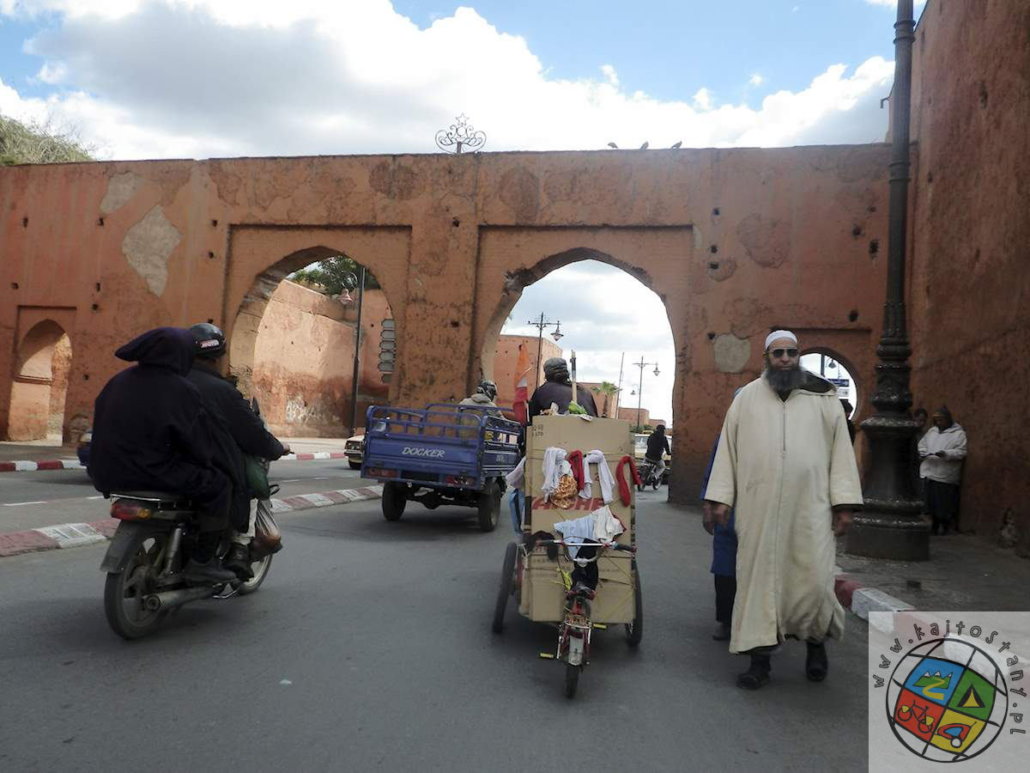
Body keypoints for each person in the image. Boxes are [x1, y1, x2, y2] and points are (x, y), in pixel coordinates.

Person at [704, 330, 862, 690]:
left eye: (792, 352)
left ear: (799, 355)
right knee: (758, 583)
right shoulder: (746, 400)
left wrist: (844, 504)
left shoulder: (824, 399)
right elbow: (728, 452)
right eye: (778, 354)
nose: (786, 359)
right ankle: (759, 662)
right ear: (767, 358)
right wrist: (720, 500)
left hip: (812, 508)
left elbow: (841, 454)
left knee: (815, 581)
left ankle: (816, 646)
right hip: (757, 509)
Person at [87, 327, 236, 583]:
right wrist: (208, 461)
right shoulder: (181, 389)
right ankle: (202, 562)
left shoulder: (118, 381)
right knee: (219, 485)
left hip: (105, 471)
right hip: (152, 473)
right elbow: (196, 443)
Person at [188, 323, 289, 578]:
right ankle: (231, 551)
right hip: (202, 468)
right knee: (242, 488)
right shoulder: (223, 392)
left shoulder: (167, 382)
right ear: (221, 357)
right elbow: (253, 434)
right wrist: (276, 448)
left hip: (156, 464)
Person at [700, 436, 736, 642]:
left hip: (765, 510)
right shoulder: (728, 433)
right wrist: (708, 504)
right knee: (725, 567)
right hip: (730, 509)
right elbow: (715, 467)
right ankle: (726, 620)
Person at [918, 406, 967, 536]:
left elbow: (961, 451)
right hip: (930, 470)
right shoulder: (932, 432)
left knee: (943, 503)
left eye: (942, 420)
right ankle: (934, 525)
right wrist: (923, 453)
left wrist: (946, 454)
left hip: (945, 473)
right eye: (937, 420)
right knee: (930, 502)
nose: (939, 423)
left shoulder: (958, 434)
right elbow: (922, 445)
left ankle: (944, 525)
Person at [527, 358, 598, 419]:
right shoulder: (584, 390)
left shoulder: (543, 390)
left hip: (561, 431)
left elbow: (532, 418)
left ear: (547, 374)